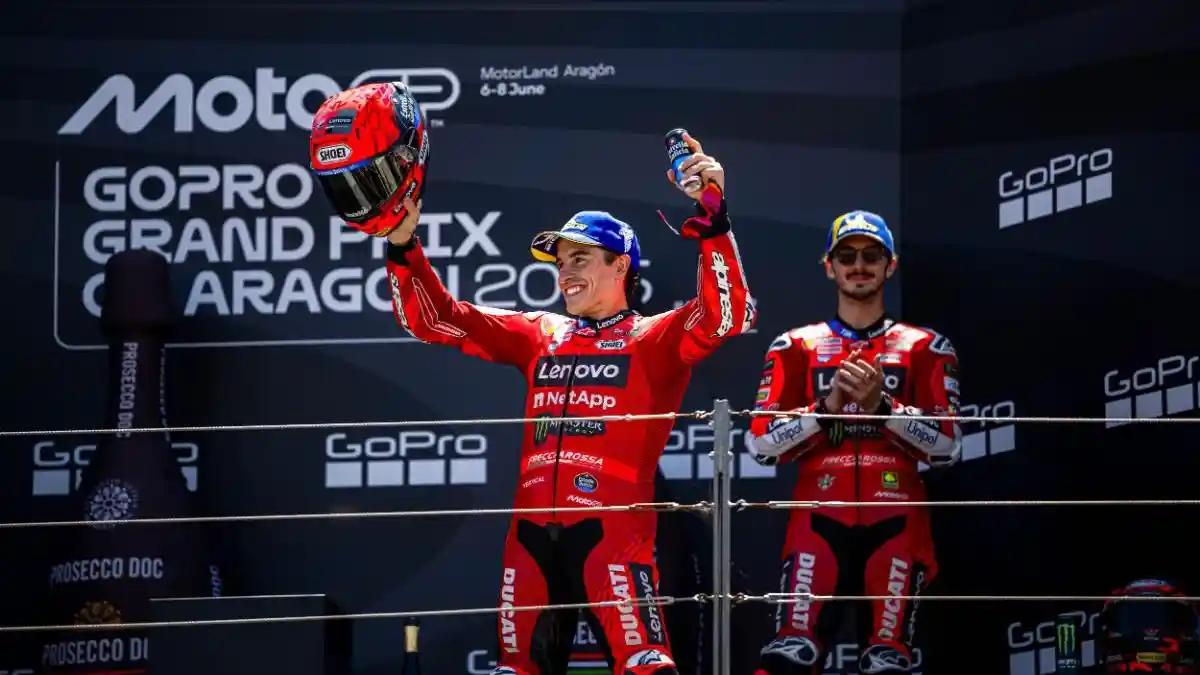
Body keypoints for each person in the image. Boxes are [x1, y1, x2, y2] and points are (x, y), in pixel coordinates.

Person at [309, 91, 754, 675]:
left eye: (580, 259)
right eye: (560, 262)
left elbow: (726, 315)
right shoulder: (540, 332)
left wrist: (713, 219)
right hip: (528, 541)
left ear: (621, 265)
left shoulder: (654, 337)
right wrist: (402, 245)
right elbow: (433, 320)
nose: (565, 272)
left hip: (612, 536)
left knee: (647, 665)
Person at [745, 211, 962, 675]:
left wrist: (883, 407)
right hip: (817, 518)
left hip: (898, 519)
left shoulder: (926, 347)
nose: (858, 265)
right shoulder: (794, 347)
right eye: (846, 256)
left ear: (890, 265)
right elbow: (761, 445)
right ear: (830, 267)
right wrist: (827, 408)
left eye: (871, 255)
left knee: (888, 660)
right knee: (790, 655)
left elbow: (948, 446)